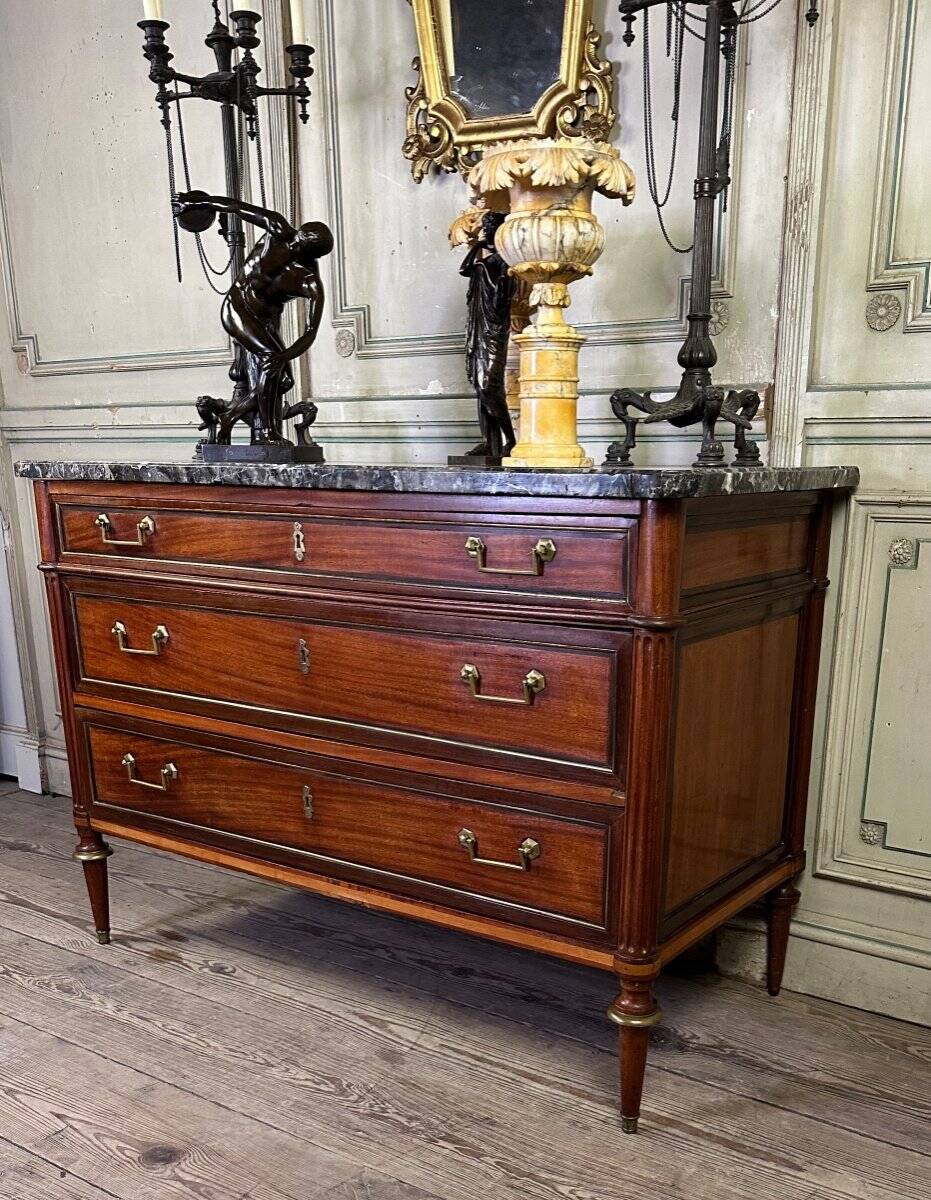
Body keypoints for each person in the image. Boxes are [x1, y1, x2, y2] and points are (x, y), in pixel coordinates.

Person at [174, 191, 333, 445]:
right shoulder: (279, 228)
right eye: (295, 240)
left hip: (264, 322)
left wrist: (285, 355)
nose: (292, 246)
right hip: (237, 306)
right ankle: (269, 433)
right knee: (271, 362)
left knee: (284, 380)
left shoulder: (310, 281)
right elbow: (236, 207)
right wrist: (196, 203)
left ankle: (229, 417)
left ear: (311, 254)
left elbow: (311, 332)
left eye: (299, 248)